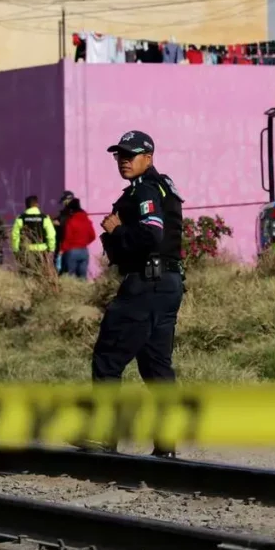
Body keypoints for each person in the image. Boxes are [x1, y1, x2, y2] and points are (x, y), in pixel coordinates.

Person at [80, 130, 184, 458]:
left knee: (108, 358)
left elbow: (151, 235)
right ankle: (166, 443)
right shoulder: (165, 186)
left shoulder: (145, 190)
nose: (123, 160)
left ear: (148, 157)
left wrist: (115, 230)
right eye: (119, 155)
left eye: (131, 155)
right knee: (155, 366)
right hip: (168, 284)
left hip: (145, 285)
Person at [10, 195, 56, 275]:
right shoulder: (44, 217)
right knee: (42, 276)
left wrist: (16, 250)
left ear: (26, 205)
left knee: (27, 275)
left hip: (26, 252)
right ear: (37, 205)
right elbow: (51, 235)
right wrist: (51, 249)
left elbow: (15, 235)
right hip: (42, 252)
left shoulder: (21, 218)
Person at [58, 198, 96, 279]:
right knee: (83, 277)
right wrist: (83, 242)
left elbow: (67, 238)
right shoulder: (87, 220)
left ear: (72, 211)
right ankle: (83, 291)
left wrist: (62, 249)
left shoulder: (71, 221)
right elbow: (92, 236)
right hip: (84, 251)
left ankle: (72, 291)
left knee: (71, 276)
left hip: (72, 251)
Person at [53, 190, 76, 274]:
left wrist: (59, 223)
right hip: (61, 246)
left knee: (68, 272)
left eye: (64, 201)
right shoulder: (64, 213)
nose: (63, 203)